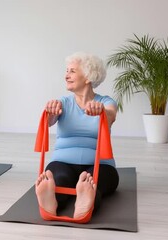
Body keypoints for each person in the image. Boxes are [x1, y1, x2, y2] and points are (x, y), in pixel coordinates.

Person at [35, 52, 119, 219]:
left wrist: (101, 111)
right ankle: (51, 200)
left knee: (96, 183)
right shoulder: (63, 102)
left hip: (100, 165)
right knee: (60, 180)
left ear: (88, 76)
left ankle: (86, 200)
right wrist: (50, 111)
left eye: (72, 71)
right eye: (66, 71)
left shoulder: (106, 102)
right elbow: (50, 120)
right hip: (62, 162)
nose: (66, 75)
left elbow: (111, 116)